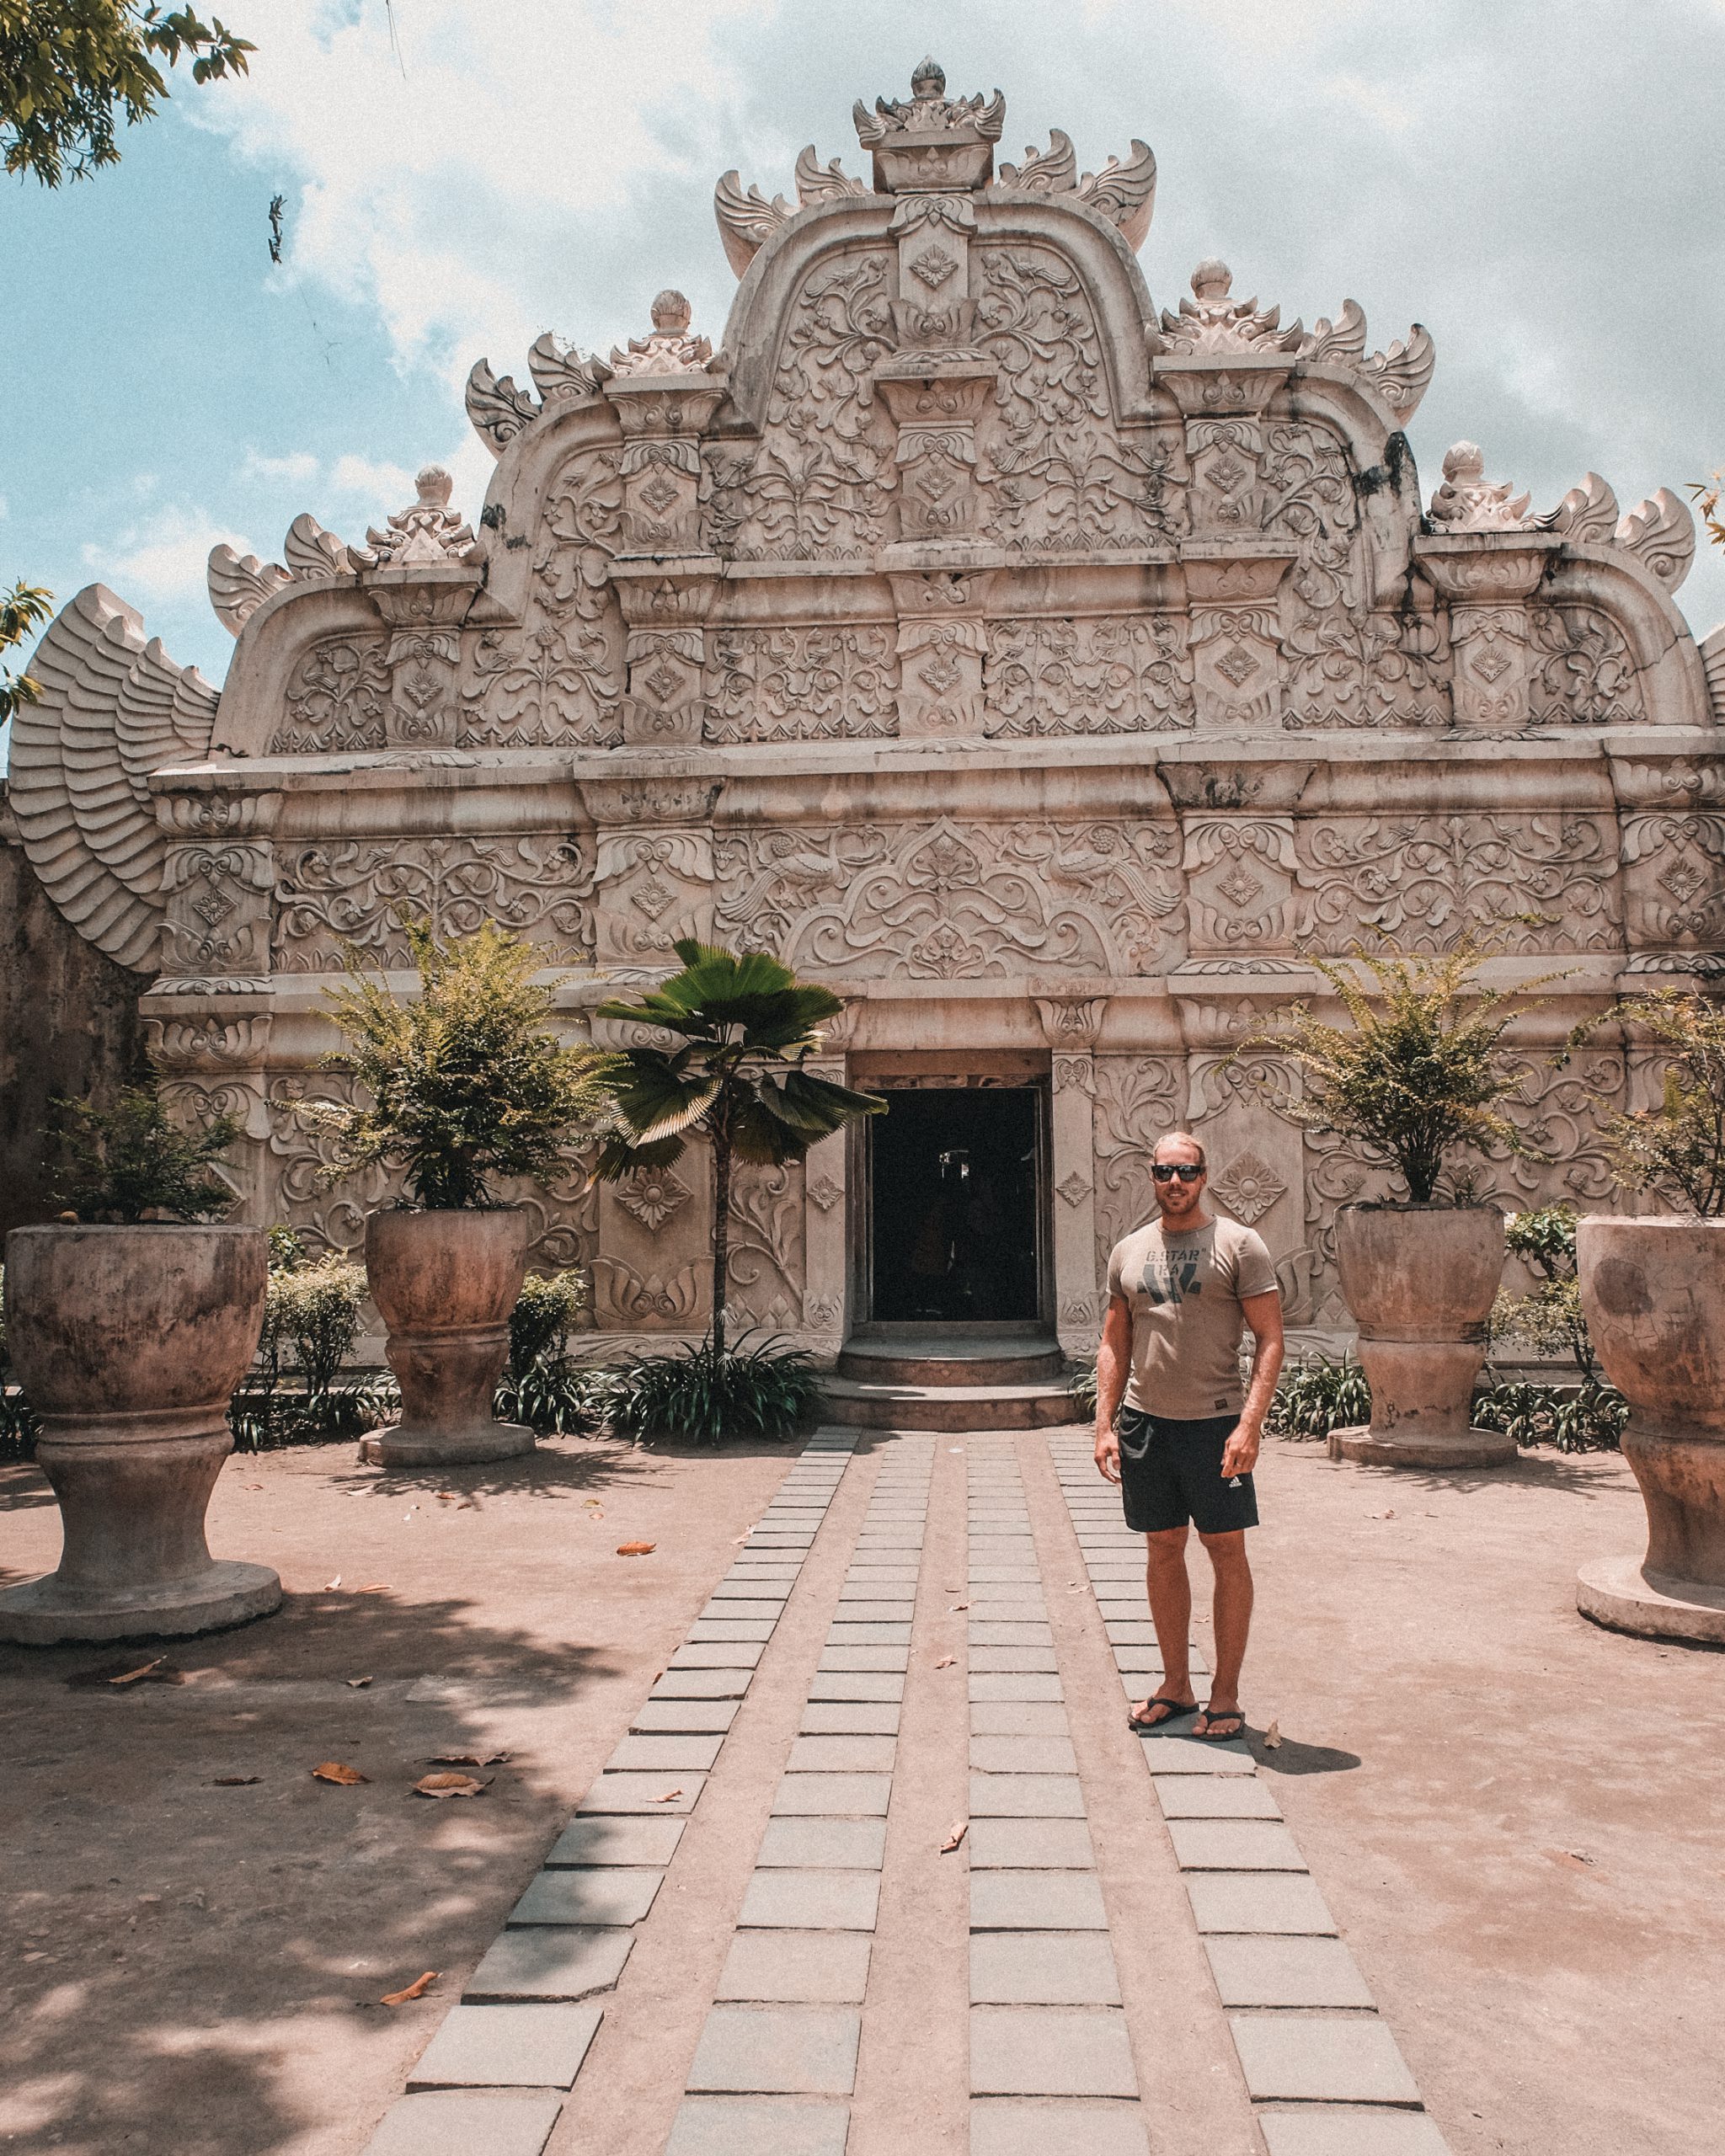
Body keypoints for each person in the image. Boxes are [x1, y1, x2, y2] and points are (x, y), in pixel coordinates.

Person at [1093, 1131, 1284, 1741]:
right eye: (1163, 1171)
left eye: (1187, 1171)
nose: (1174, 1182)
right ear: (1150, 1177)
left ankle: (1224, 1695)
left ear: (1205, 1176)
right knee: (1162, 1548)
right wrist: (1105, 1426)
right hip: (1147, 1424)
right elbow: (1113, 1343)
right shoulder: (1127, 1251)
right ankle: (1176, 1685)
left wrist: (1249, 1427)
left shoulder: (1239, 1245)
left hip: (1215, 1425)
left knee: (1226, 1552)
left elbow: (1271, 1340)